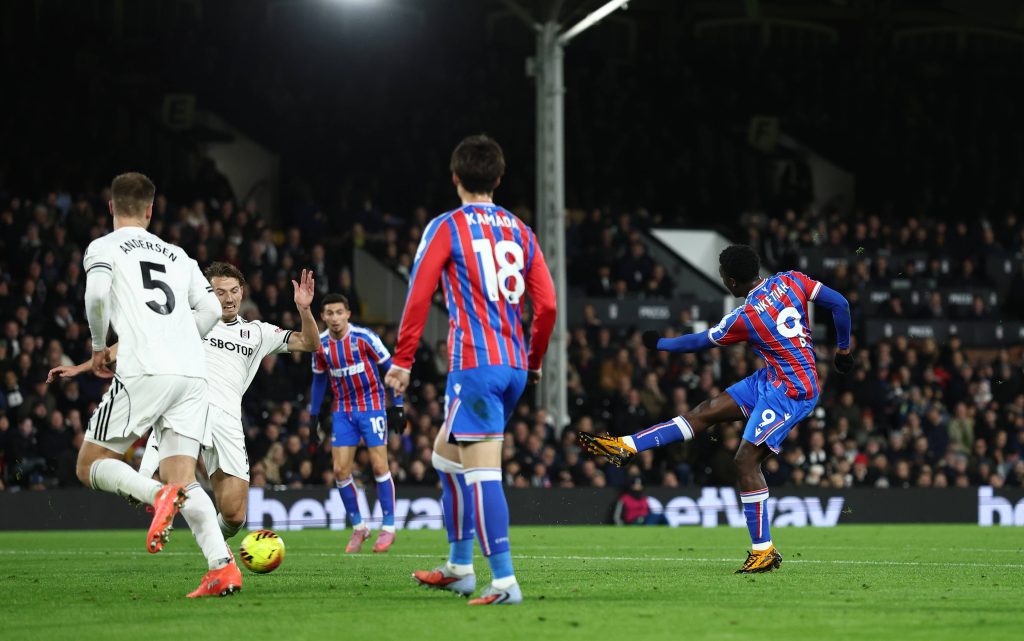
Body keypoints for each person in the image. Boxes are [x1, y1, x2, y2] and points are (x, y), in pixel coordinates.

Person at [580, 244, 852, 574]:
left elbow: (697, 342)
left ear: (733, 282)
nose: (723, 280)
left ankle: (763, 550)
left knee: (745, 460)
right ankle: (627, 446)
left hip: (792, 391)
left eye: (723, 275)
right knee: (705, 411)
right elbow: (840, 303)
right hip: (772, 376)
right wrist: (842, 350)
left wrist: (659, 344)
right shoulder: (791, 280)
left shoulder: (747, 317)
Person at [385, 135, 557, 605]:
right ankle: (460, 567)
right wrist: (535, 360)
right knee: (445, 457)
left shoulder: (446, 226)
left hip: (475, 365)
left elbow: (419, 296)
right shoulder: (522, 231)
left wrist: (402, 360)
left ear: (455, 177)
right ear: (498, 179)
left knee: (483, 474)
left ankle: (503, 581)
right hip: (514, 365)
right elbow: (547, 307)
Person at [50, 262, 321, 540]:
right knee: (169, 473)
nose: (228, 299)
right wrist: (83, 366)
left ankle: (212, 543)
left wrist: (304, 309)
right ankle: (148, 487)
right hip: (186, 406)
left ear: (242, 293)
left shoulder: (258, 332)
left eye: (234, 291)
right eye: (219, 292)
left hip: (227, 419)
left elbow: (310, 343)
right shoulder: (187, 319)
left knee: (234, 515)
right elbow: (137, 341)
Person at [73, 172, 240, 597]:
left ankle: (155, 494)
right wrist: (179, 339)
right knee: (185, 479)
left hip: (144, 366)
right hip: (190, 372)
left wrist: (98, 347)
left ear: (111, 207)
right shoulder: (178, 254)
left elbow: (95, 297)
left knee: (89, 463)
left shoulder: (104, 247)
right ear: (151, 210)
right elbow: (208, 310)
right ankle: (222, 567)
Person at [308, 293, 405, 553]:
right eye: (329, 313)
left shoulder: (365, 338)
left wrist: (397, 405)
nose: (335, 318)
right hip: (342, 411)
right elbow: (318, 381)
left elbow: (392, 369)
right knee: (340, 470)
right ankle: (359, 527)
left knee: (378, 465)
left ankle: (388, 528)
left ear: (348, 314)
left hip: (372, 407)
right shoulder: (320, 344)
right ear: (323, 317)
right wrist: (313, 416)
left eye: (339, 312)